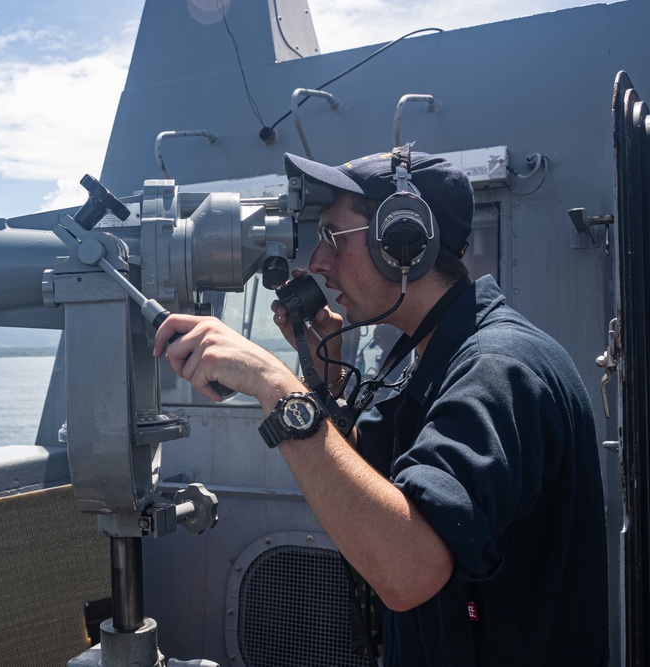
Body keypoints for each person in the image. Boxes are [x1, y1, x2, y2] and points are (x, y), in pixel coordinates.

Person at [153, 149, 609, 666]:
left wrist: (272, 385)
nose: (318, 265)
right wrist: (318, 384)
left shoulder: (499, 370)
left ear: (401, 243)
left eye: (332, 238)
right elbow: (364, 489)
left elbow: (406, 568)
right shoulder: (428, 358)